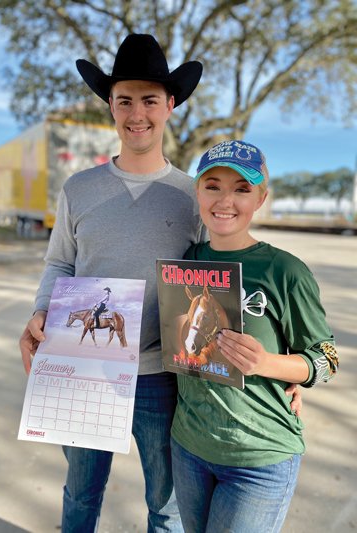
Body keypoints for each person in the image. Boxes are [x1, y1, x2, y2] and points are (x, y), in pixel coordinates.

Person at [19, 33, 205, 533]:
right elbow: (60, 263)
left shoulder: (194, 197)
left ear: (170, 105)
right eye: (125, 101)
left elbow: (218, 284)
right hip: (84, 367)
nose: (137, 113)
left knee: (167, 507)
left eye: (150, 100)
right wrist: (41, 311)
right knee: (80, 496)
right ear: (110, 106)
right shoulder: (78, 189)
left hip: (164, 376)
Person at [170, 140, 339, 533]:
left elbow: (327, 359)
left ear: (260, 199)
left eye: (242, 189)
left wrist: (268, 363)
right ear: (197, 192)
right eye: (213, 186)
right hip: (188, 448)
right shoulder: (185, 261)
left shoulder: (285, 271)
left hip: (259, 458)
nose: (225, 200)